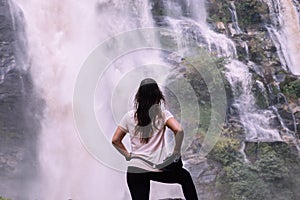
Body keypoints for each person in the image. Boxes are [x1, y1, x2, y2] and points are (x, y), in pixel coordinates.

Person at [112, 78, 198, 200]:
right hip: (156, 167)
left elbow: (115, 140)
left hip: (135, 168)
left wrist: (128, 155)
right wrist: (176, 152)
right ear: (158, 95)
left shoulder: (129, 117)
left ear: (139, 96)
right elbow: (179, 130)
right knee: (185, 177)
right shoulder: (163, 115)